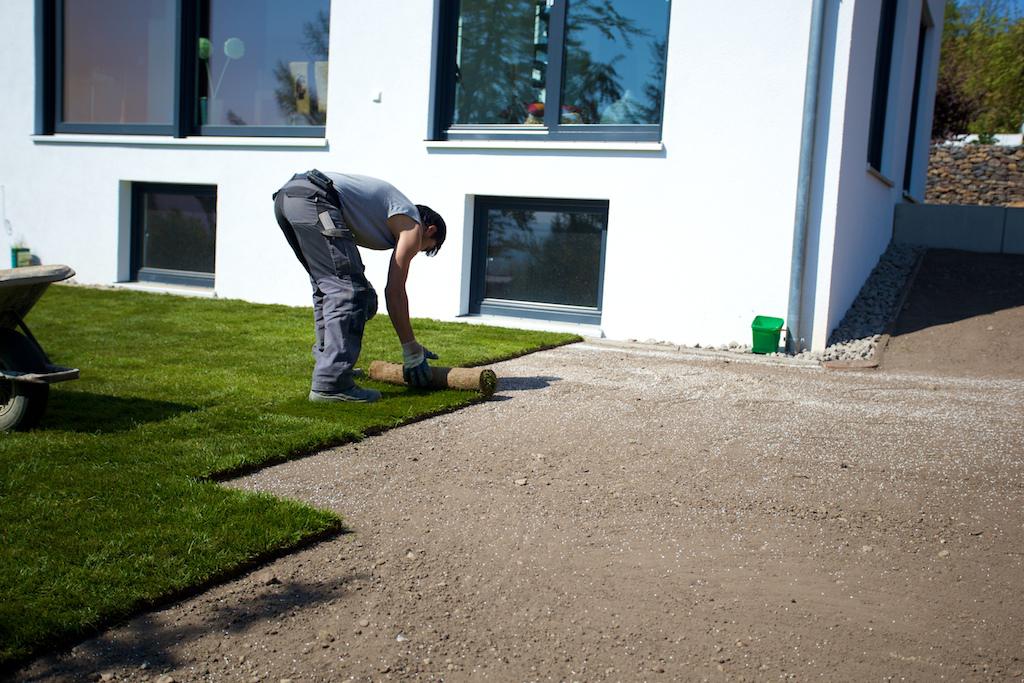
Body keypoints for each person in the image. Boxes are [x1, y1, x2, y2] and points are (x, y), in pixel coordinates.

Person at [273, 169, 446, 403]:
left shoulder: (386, 211)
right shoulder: (412, 225)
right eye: (424, 248)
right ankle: (331, 384)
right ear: (430, 230)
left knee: (334, 290)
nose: (415, 250)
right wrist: (411, 351)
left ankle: (331, 365)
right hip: (315, 200)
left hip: (288, 199)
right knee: (349, 291)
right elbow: (394, 292)